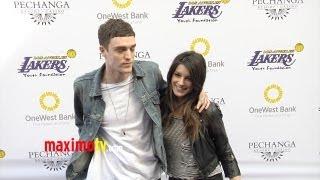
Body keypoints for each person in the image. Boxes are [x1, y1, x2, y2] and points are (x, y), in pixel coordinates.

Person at [66, 19, 210, 180]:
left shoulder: (150, 73)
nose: (129, 56)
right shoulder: (83, 86)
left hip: (149, 175)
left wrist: (198, 90)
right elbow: (83, 126)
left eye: (132, 48)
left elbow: (173, 96)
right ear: (103, 50)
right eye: (120, 50)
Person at [161, 51, 241, 180]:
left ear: (197, 81)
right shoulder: (160, 104)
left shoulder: (207, 110)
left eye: (188, 78)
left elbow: (225, 150)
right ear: (171, 75)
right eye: (177, 75)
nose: (181, 82)